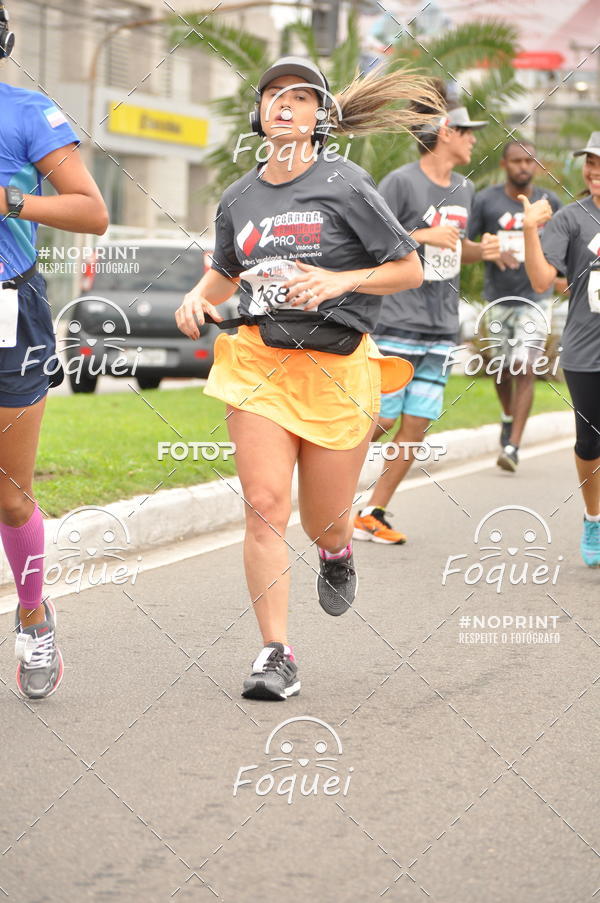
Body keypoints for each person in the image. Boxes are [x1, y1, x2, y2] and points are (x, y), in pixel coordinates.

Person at [176, 56, 443, 700]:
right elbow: (227, 272)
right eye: (273, 96)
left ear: (321, 117)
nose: (284, 105)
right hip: (259, 364)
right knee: (266, 506)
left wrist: (339, 279)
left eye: (300, 97)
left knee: (325, 520)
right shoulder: (240, 196)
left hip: (337, 367)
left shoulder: (347, 183)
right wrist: (197, 296)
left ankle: (337, 550)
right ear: (259, 114)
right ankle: (275, 652)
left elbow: (408, 269)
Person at [0, 2, 108, 699]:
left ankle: (35, 617)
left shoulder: (27, 113)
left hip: (9, 307)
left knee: (10, 496)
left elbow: (92, 211)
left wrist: (10, 201)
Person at [353, 84, 501, 545]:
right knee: (379, 420)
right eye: (467, 132)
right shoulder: (400, 181)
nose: (474, 139)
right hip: (397, 318)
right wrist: (422, 235)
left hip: (440, 326)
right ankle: (330, 496)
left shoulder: (466, 187)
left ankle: (373, 511)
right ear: (445, 132)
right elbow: (369, 241)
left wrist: (487, 250)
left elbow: (456, 251)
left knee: (416, 425)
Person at [521, 131, 600, 567]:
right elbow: (538, 280)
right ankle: (593, 517)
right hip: (586, 351)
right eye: (590, 162)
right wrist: (531, 229)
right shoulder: (572, 219)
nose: (594, 171)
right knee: (590, 442)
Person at [468, 140, 561, 472]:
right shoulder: (486, 200)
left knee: (525, 367)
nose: (524, 166)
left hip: (536, 299)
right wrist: (489, 247)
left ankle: (513, 445)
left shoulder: (550, 202)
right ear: (505, 164)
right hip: (498, 297)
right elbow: (470, 242)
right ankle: (508, 417)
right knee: (502, 369)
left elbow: (561, 251)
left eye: (530, 161)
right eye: (518, 160)